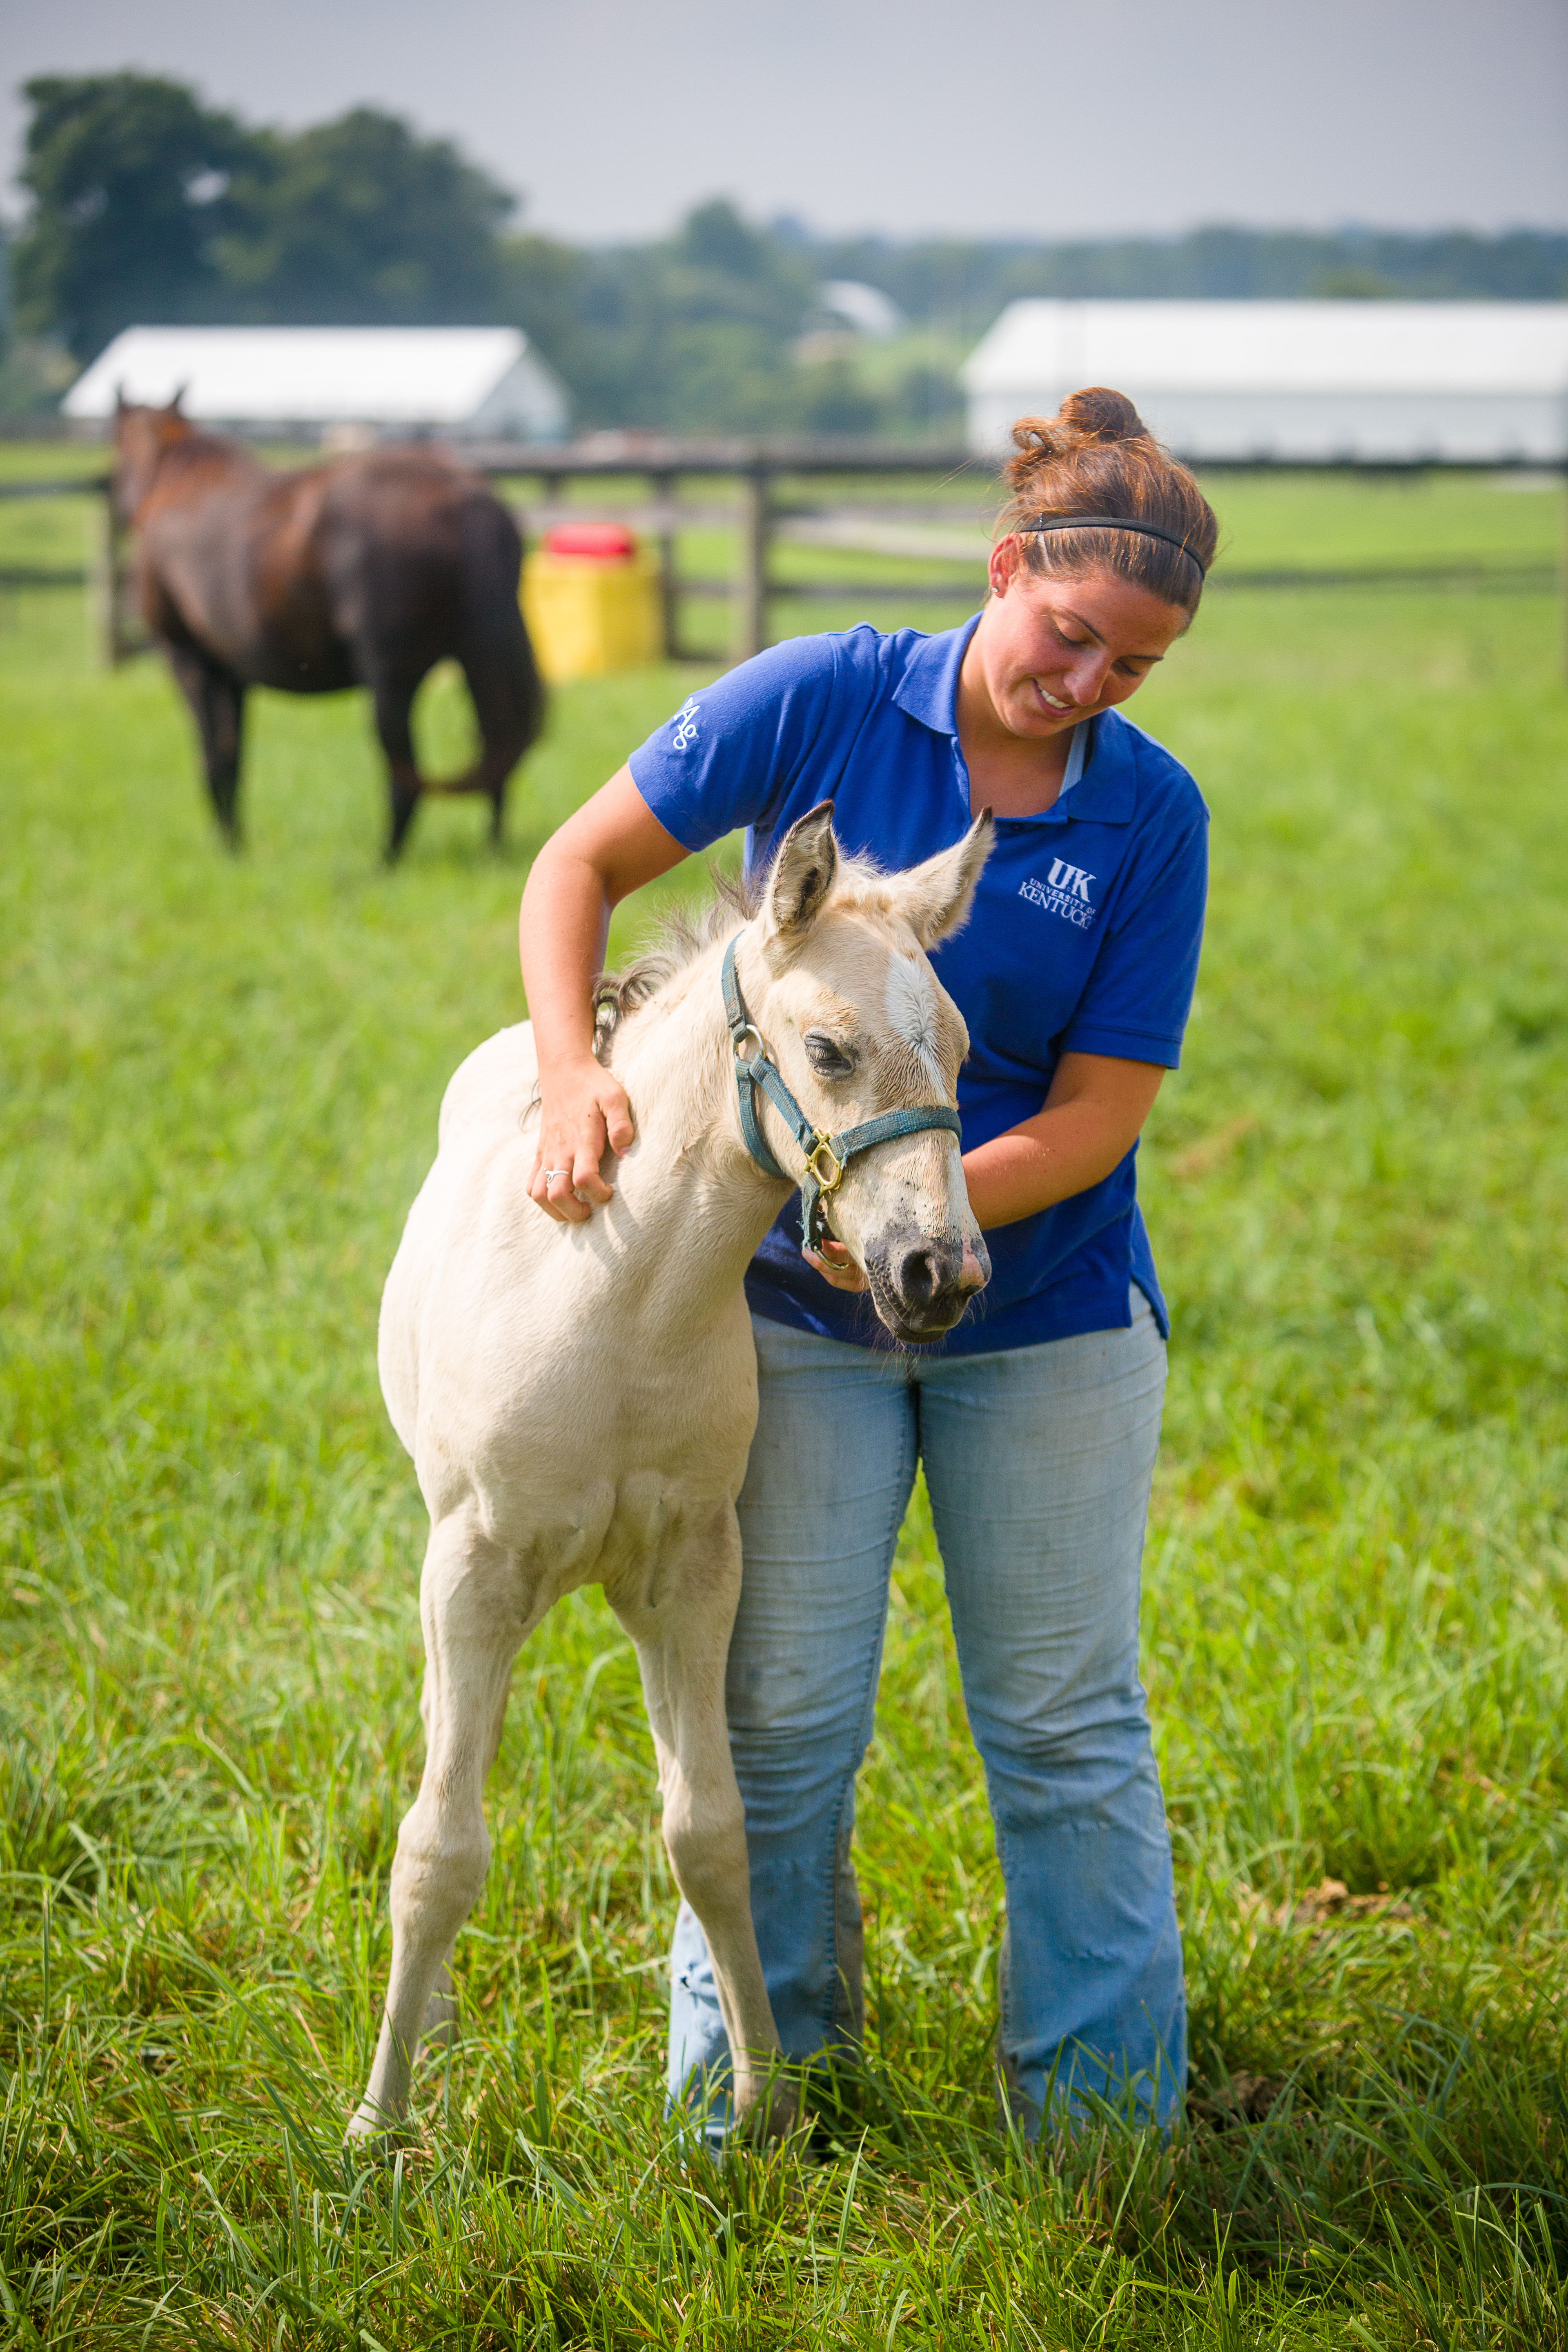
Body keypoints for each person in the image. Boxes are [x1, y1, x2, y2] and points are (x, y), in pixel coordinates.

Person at [517, 388, 1220, 2134]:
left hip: (1042, 1316)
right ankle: (755, 2092)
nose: (1090, 686)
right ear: (1005, 572)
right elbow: (578, 863)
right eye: (1071, 638)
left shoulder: (1151, 818)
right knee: (784, 1716)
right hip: (786, 1324)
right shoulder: (824, 694)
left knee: (1065, 1724)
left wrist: (914, 1219)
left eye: (1132, 668)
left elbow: (1101, 1115)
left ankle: (1102, 2124)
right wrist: (568, 1068)